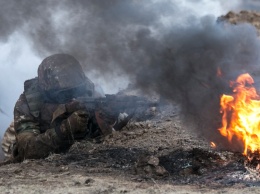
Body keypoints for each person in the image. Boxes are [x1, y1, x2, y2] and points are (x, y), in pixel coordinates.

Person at [2, 53, 121, 162]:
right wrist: (64, 129)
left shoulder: (89, 91)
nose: (74, 96)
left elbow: (107, 132)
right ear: (48, 91)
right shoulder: (28, 105)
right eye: (65, 94)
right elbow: (27, 150)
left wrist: (108, 120)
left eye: (76, 90)